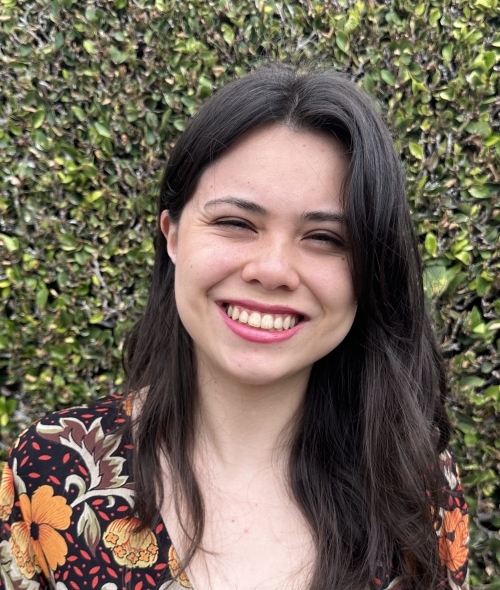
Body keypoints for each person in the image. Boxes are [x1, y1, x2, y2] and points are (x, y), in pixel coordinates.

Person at [0, 65, 469, 590]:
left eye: (326, 238)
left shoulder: (416, 481)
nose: (271, 269)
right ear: (172, 235)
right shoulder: (49, 472)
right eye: (235, 223)